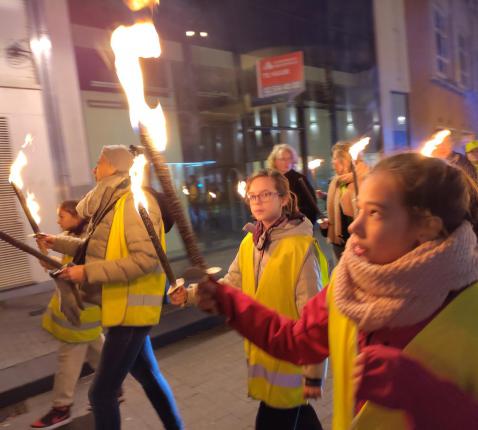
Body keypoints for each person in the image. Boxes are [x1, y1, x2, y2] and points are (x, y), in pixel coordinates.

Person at [196, 153, 478, 430]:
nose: (355, 225)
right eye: (359, 208)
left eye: (375, 212)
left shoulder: (468, 307)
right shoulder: (348, 288)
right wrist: (227, 300)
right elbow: (293, 342)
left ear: (427, 227)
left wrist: (422, 393)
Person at [37, 145, 183, 430]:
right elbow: (96, 248)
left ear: (116, 167)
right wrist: (57, 242)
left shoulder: (134, 203)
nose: (94, 168)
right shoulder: (112, 203)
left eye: (100, 162)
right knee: (148, 375)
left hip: (132, 307)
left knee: (101, 393)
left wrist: (86, 273)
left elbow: (145, 260)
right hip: (121, 304)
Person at [171, 169, 329, 430]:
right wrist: (188, 295)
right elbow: (230, 286)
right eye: (252, 196)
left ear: (283, 199)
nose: (257, 201)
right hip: (264, 355)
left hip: (290, 359)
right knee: (300, 418)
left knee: (272, 421)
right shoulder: (250, 243)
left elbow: (312, 318)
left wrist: (313, 374)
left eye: (265, 194)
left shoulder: (301, 249)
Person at [31, 201, 103, 429]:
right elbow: (58, 268)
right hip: (81, 314)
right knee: (98, 350)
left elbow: (77, 271)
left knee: (68, 362)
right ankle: (113, 387)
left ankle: (61, 408)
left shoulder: (91, 240)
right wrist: (46, 258)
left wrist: (57, 266)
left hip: (79, 312)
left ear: (75, 215)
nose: (59, 221)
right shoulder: (68, 237)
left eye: (62, 216)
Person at [323, 142, 365, 260]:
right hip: (339, 242)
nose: (332, 161)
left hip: (358, 243)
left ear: (345, 160)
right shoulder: (335, 182)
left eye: (335, 158)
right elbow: (333, 214)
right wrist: (324, 227)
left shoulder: (363, 180)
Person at [267, 144, 322, 226]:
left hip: (296, 225)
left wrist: (295, 217)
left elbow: (311, 205)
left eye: (289, 158)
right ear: (274, 161)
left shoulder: (300, 179)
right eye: (283, 159)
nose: (287, 162)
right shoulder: (269, 180)